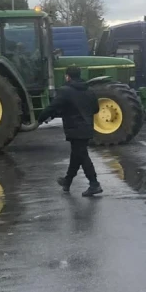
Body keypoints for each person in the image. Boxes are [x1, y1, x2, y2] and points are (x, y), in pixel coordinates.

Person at [40, 66, 103, 197]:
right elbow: (96, 109)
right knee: (76, 156)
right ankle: (67, 181)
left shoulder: (65, 90)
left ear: (67, 76)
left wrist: (40, 118)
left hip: (75, 129)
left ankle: (94, 184)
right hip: (87, 127)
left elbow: (53, 107)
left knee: (82, 155)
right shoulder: (89, 90)